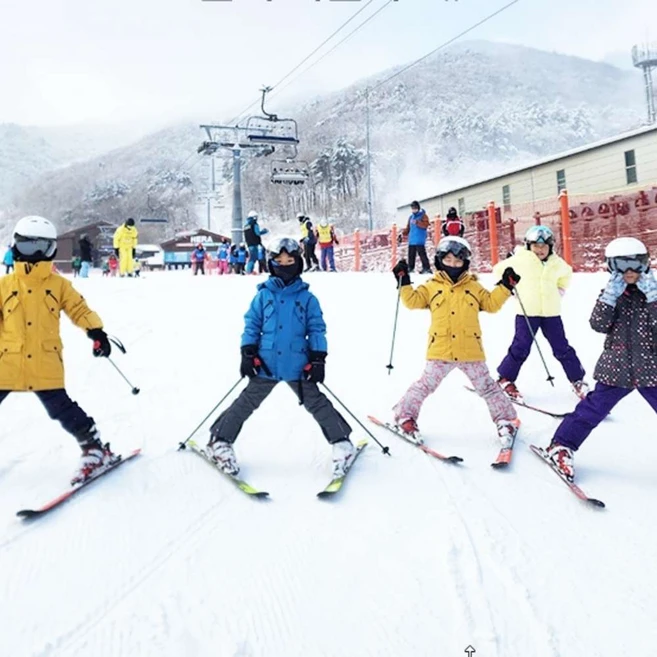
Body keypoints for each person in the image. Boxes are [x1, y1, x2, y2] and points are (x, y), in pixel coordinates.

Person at [205, 238, 355, 477]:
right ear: (271, 264)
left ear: (299, 264)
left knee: (316, 403)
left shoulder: (307, 299)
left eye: (290, 261)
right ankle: (220, 440)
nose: (284, 265)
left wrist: (318, 359)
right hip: (266, 362)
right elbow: (252, 325)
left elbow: (316, 328)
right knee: (246, 402)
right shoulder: (263, 296)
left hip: (298, 364)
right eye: (279, 261)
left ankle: (342, 442)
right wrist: (247, 351)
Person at [0, 216, 115, 484]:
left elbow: (79, 309)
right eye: (29, 247)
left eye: (43, 248)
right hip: (7, 360)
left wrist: (95, 331)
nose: (36, 255)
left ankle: (94, 448)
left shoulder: (58, 285)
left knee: (60, 408)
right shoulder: (4, 286)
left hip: (44, 359)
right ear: (16, 247)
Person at [542, 237, 657, 482]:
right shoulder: (612, 295)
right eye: (621, 265)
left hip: (651, 369)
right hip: (617, 369)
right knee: (592, 410)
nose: (629, 272)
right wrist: (609, 298)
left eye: (635, 264)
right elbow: (598, 324)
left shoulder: (653, 296)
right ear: (611, 268)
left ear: (645, 265)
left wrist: (653, 299)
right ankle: (561, 445)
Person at [391, 236, 521, 447]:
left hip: (470, 350)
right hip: (440, 350)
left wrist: (505, 286)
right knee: (425, 385)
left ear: (465, 263)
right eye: (448, 260)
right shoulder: (431, 286)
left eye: (458, 261)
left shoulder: (473, 286)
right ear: (440, 260)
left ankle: (506, 420)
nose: (453, 265)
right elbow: (412, 301)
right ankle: (404, 416)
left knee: (487, 387)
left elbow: (490, 304)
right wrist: (403, 281)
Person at [495, 225, 588, 402]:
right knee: (521, 346)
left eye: (544, 246)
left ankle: (577, 379)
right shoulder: (519, 260)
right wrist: (508, 286)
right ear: (528, 246)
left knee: (561, 347)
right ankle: (505, 378)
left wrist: (559, 290)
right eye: (536, 246)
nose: (540, 250)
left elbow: (566, 275)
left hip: (551, 313)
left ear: (550, 247)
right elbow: (498, 271)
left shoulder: (556, 263)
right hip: (527, 313)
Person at [402, 201, 431, 274]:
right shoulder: (411, 217)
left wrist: (418, 223)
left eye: (415, 208)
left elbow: (425, 225)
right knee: (411, 255)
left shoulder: (423, 216)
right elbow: (408, 227)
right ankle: (410, 268)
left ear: (418, 208)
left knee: (422, 254)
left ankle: (426, 268)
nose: (413, 209)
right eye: (412, 208)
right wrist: (404, 233)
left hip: (419, 239)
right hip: (412, 239)